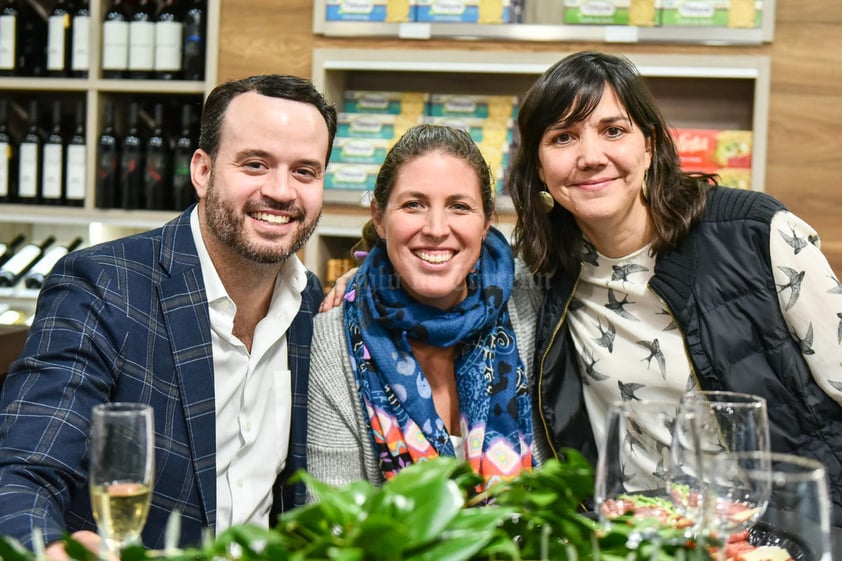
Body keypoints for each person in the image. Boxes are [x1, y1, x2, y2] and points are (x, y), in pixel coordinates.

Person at [0, 74, 337, 555]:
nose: (281, 191)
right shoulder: (102, 286)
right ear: (202, 171)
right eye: (255, 164)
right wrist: (49, 551)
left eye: (305, 171)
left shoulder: (312, 306)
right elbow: (22, 473)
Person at [507, 50, 842, 525]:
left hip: (798, 534)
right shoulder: (546, 278)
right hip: (644, 541)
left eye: (613, 131)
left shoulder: (756, 234)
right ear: (539, 168)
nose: (590, 157)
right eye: (563, 138)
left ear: (650, 145)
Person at [307, 124, 551, 490]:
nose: (436, 228)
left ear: (486, 223)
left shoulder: (533, 302)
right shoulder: (333, 338)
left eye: (459, 207)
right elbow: (332, 523)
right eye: (413, 205)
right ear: (379, 217)